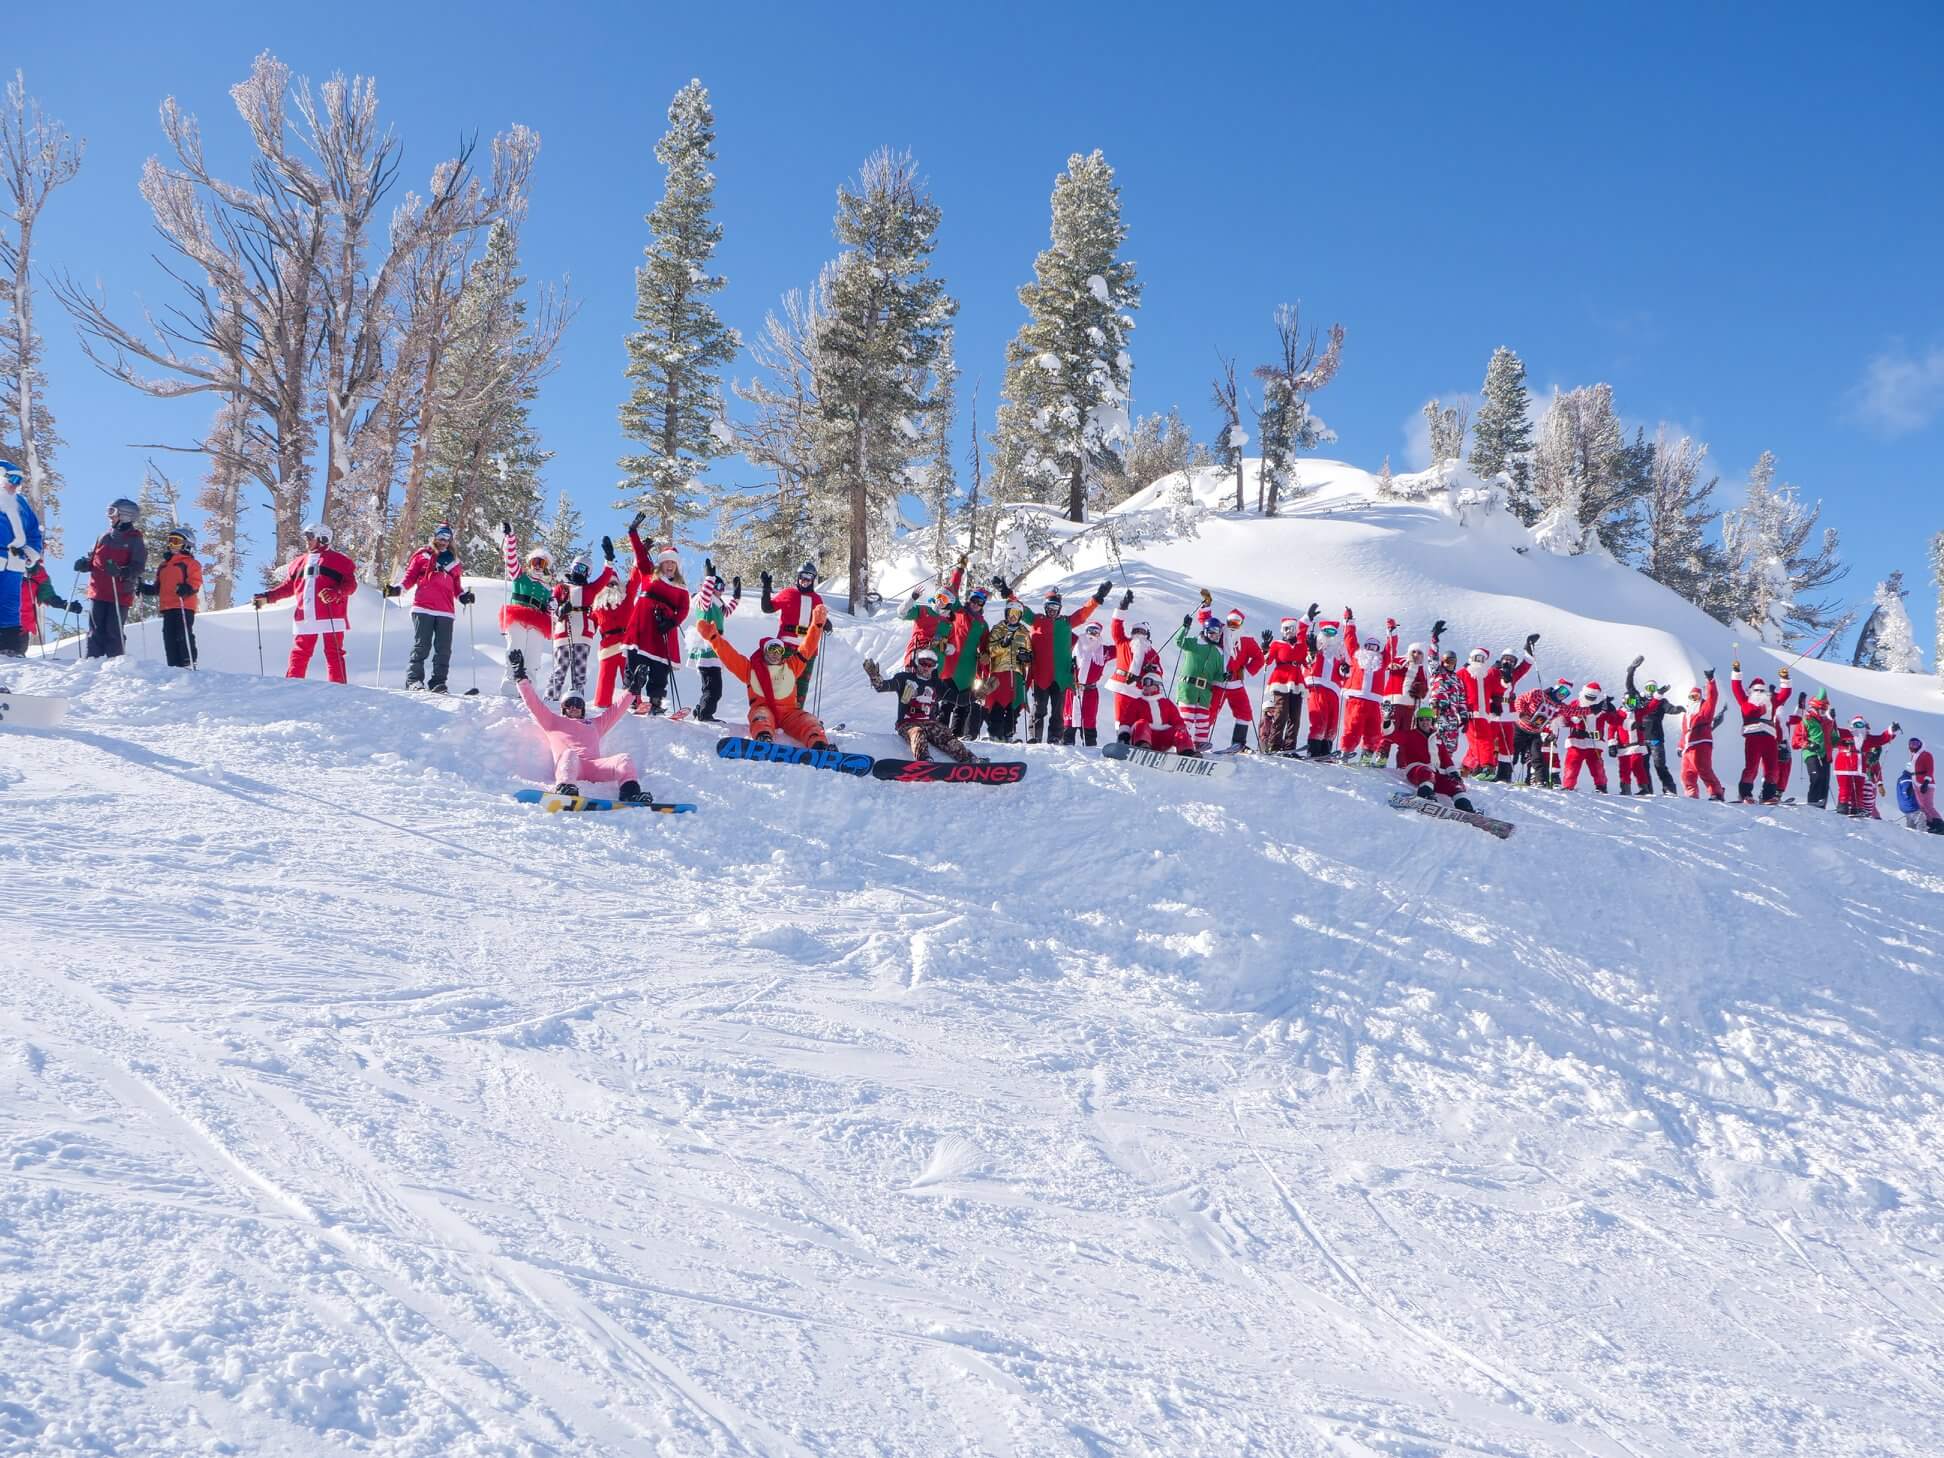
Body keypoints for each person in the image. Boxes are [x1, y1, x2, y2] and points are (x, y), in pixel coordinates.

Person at [507, 647, 647, 803]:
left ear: (583, 707)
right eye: (569, 703)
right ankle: (566, 788)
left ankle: (630, 793)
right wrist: (520, 676)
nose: (574, 707)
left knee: (624, 759)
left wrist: (633, 689)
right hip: (570, 766)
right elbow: (532, 702)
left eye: (578, 703)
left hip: (595, 767)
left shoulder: (595, 724)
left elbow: (616, 710)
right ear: (563, 708)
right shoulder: (552, 721)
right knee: (569, 754)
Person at [694, 603, 831, 747]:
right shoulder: (751, 669)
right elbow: (730, 656)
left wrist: (817, 625)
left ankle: (819, 744)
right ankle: (763, 738)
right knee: (760, 716)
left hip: (790, 713)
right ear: (765, 651)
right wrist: (714, 638)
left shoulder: (791, 666)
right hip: (764, 709)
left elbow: (807, 648)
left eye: (779, 650)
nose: (775, 654)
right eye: (772, 649)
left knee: (809, 721)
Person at [255, 522, 358, 682]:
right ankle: (292, 686)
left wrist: (336, 593)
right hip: (305, 614)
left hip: (331, 615)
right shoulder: (299, 563)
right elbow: (288, 587)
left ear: (323, 539)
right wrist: (267, 597)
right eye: (307, 537)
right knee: (300, 652)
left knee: (334, 653)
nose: (307, 541)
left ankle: (339, 689)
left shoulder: (340, 561)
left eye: (310, 537)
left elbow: (351, 585)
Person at [1018, 581, 1108, 743]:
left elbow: (1083, 613)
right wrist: (1008, 593)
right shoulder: (1036, 620)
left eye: (1055, 608)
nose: (1052, 611)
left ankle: (1054, 737)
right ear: (1045, 608)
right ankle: (1034, 737)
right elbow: (1022, 610)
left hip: (1061, 675)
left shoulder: (1066, 622)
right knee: (1039, 708)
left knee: (1058, 710)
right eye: (1050, 608)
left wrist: (1097, 597)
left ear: (1059, 609)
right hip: (1041, 675)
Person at [385, 522, 471, 692]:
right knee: (422, 645)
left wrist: (463, 597)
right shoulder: (423, 556)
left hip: (445, 611)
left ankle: (438, 682)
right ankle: (414, 680)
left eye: (447, 538)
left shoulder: (454, 562)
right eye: (441, 537)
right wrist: (397, 589)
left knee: (444, 649)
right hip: (423, 608)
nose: (444, 541)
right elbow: (409, 578)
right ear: (435, 537)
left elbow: (456, 587)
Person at [863, 646, 979, 763]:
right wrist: (875, 677)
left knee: (946, 736)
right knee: (917, 733)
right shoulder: (904, 678)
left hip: (930, 723)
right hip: (908, 723)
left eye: (930, 665)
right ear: (917, 663)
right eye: (923, 663)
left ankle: (969, 759)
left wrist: (979, 694)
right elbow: (884, 686)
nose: (926, 667)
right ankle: (924, 760)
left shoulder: (937, 684)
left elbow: (959, 700)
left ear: (934, 667)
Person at [624, 519, 691, 714]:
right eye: (666, 562)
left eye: (673, 563)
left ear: (676, 566)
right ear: (661, 564)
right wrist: (632, 531)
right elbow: (640, 553)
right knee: (635, 662)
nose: (669, 566)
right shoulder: (649, 573)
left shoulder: (681, 588)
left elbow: (684, 610)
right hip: (643, 624)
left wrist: (672, 622)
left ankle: (655, 702)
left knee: (659, 667)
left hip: (663, 630)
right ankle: (632, 699)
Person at [77, 497, 147, 659]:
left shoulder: (134, 539)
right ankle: (93, 660)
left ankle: (115, 661)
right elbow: (93, 559)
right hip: (98, 590)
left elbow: (138, 566)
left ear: (126, 515)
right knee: (95, 629)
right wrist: (85, 564)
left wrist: (121, 571)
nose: (109, 517)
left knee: (113, 629)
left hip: (119, 592)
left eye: (112, 512)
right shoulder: (104, 536)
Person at [547, 553, 616, 702]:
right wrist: (560, 609)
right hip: (564, 631)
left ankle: (577, 700)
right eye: (577, 567)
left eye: (583, 569)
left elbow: (604, 578)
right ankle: (551, 698)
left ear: (588, 573)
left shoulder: (591, 589)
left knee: (579, 670)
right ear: (572, 568)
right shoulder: (562, 588)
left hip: (583, 633)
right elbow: (551, 605)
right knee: (560, 667)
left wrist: (608, 561)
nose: (579, 571)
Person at [499, 523, 556, 697]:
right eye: (535, 561)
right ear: (530, 563)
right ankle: (509, 687)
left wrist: (552, 607)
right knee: (515, 650)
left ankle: (528, 690)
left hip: (537, 622)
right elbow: (511, 559)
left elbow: (550, 609)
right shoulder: (520, 576)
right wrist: (510, 537)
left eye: (541, 562)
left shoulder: (547, 588)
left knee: (533, 656)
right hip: (518, 615)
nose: (538, 565)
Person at [1390, 699, 1476, 812]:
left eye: (1427, 719)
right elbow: (1390, 735)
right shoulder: (1409, 735)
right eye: (1421, 720)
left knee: (1455, 784)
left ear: (1432, 721)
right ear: (1417, 721)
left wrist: (1453, 772)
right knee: (1427, 773)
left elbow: (1445, 758)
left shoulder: (1437, 738)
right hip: (1417, 770)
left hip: (1437, 773)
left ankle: (1465, 807)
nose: (1425, 722)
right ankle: (1425, 797)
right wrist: (1387, 720)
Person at [138, 524, 203, 669]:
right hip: (167, 606)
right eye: (170, 541)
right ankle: (173, 664)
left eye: (176, 541)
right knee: (169, 635)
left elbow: (196, 582)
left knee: (182, 632)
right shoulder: (163, 566)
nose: (171, 545)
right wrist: (144, 589)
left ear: (187, 545)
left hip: (183, 604)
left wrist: (187, 588)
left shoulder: (191, 563)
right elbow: (158, 588)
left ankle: (188, 661)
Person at [760, 558, 824, 706]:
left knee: (801, 688)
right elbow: (767, 608)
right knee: (782, 683)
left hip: (807, 649)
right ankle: (775, 712)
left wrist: (826, 624)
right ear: (798, 578)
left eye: (809, 578)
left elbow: (820, 618)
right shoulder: (788, 593)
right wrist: (766, 589)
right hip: (786, 645)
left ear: (813, 580)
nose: (805, 581)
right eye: (802, 577)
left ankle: (796, 716)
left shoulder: (817, 599)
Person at [1105, 590, 1164, 745]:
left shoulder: (1151, 652)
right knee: (1121, 718)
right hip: (1123, 685)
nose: (1138, 634)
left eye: (1141, 631)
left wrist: (1152, 671)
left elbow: (1159, 672)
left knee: (1139, 719)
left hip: (1140, 690)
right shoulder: (1123, 643)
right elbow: (1116, 625)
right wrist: (1122, 606)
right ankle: (1121, 741)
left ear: (1147, 635)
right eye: (1135, 631)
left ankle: (1139, 742)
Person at [1727, 661, 1791, 804]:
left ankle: (1768, 795)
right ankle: (1745, 794)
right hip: (1753, 735)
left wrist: (1785, 678)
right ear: (1750, 691)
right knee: (1752, 766)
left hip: (1769, 736)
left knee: (1772, 767)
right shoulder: (1745, 700)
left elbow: (1785, 694)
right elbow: (1736, 688)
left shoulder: (1771, 701)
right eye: (1756, 690)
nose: (1759, 693)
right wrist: (1736, 671)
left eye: (1762, 690)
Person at [943, 568, 994, 738]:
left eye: (979, 603)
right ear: (969, 600)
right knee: (946, 704)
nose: (975, 604)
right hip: (950, 667)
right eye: (973, 600)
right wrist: (958, 572)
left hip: (968, 670)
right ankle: (939, 735)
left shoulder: (983, 625)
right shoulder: (959, 612)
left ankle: (955, 739)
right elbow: (952, 591)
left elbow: (986, 646)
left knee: (962, 707)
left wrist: (986, 654)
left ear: (982, 605)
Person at [0, 459, 44, 657]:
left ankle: (9, 647)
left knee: (10, 604)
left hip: (15, 561)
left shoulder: (21, 504)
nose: (16, 485)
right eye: (13, 479)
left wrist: (31, 552)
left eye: (20, 481)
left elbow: (34, 531)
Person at [1209, 605, 1265, 751]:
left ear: (1241, 624)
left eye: (1236, 623)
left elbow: (1259, 658)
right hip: (1218, 682)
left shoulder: (1246, 639)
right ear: (1225, 622)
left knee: (1245, 712)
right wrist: (1205, 606)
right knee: (1210, 711)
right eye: (1230, 623)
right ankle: (1199, 739)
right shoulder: (1220, 633)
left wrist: (1244, 672)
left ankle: (1238, 743)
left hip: (1235, 683)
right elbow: (1207, 621)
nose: (1232, 626)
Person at [688, 566, 740, 722]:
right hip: (707, 647)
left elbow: (729, 611)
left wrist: (736, 595)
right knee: (714, 688)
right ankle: (705, 714)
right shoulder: (705, 602)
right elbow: (705, 593)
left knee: (712, 686)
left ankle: (701, 710)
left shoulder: (717, 605)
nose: (721, 590)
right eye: (718, 587)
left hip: (715, 647)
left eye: (723, 587)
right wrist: (709, 578)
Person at [1624, 658, 1682, 795]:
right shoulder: (1640, 699)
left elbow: (1669, 708)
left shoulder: (1661, 701)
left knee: (1660, 765)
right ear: (1645, 689)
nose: (1650, 691)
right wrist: (1632, 669)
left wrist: (1677, 709)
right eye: (1648, 688)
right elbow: (1629, 686)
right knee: (1643, 766)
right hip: (1641, 738)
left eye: (1653, 688)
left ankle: (1669, 789)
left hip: (1656, 738)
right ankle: (1646, 789)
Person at [1339, 618, 1392, 765]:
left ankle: (1366, 758)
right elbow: (1350, 640)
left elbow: (1391, 648)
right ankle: (1345, 754)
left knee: (1374, 730)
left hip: (1374, 701)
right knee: (1353, 727)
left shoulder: (1382, 660)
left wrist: (1391, 632)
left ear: (1378, 649)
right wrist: (1349, 622)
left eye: (1375, 647)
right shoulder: (1357, 656)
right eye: (1369, 646)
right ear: (1364, 647)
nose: (1371, 650)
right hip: (1357, 699)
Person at [1171, 611, 1227, 751]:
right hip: (1189, 687)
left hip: (1204, 692)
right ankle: (1180, 742)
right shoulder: (1195, 642)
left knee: (1203, 720)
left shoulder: (1218, 653)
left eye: (1218, 633)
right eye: (1213, 632)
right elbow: (1179, 641)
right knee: (1187, 718)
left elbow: (1217, 675)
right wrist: (1184, 627)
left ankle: (1200, 743)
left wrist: (1225, 676)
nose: (1216, 635)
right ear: (1206, 631)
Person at [982, 595, 1034, 742]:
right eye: (1010, 613)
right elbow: (990, 650)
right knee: (997, 704)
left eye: (1016, 614)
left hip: (1016, 674)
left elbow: (1029, 655)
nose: (1013, 617)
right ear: (1006, 614)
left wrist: (1026, 658)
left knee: (1014, 705)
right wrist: (1002, 645)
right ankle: (994, 733)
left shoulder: (1024, 632)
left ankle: (1008, 733)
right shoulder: (998, 629)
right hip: (999, 672)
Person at [1303, 608, 1351, 758]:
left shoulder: (1339, 653)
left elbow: (1346, 673)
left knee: (1332, 722)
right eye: (1326, 632)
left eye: (1332, 632)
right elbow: (1306, 660)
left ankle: (1325, 750)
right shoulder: (1314, 646)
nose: (1329, 635)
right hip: (1316, 685)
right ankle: (1314, 749)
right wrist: (1307, 620)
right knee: (1319, 718)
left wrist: (1345, 669)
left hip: (1334, 690)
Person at [1259, 617, 1309, 753]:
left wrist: (1312, 652)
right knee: (1281, 714)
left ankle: (1289, 747)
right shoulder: (1277, 644)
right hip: (1281, 680)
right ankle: (1274, 746)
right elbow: (1267, 661)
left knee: (1295, 717)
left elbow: (1307, 662)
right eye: (1286, 629)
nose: (1289, 632)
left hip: (1297, 681)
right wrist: (1265, 648)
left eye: (1292, 629)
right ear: (1282, 630)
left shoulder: (1300, 645)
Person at [1556, 682, 1612, 793]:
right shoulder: (1575, 704)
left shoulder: (1602, 707)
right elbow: (1564, 720)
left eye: (1593, 697)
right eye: (1588, 696)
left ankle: (1601, 786)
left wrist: (1611, 709)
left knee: (1597, 766)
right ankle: (1568, 786)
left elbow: (1613, 720)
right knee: (1572, 764)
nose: (1590, 699)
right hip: (1576, 741)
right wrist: (1572, 719)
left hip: (1595, 742)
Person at [1127, 668, 1195, 755]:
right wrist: (1124, 734)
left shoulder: (1167, 703)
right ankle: (1142, 746)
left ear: (1156, 685)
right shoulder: (1137, 703)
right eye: (1143, 683)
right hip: (1144, 737)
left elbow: (1178, 721)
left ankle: (1187, 752)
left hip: (1163, 740)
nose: (1144, 686)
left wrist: (1183, 733)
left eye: (1147, 683)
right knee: (1141, 723)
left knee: (1180, 729)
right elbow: (1127, 721)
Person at [1065, 619, 1111, 746]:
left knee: (1089, 720)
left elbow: (1121, 648)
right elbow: (1063, 632)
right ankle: (1067, 744)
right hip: (1073, 689)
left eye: (1095, 632)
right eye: (1089, 630)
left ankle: (1090, 746)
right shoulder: (1075, 643)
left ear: (1099, 634)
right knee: (1070, 717)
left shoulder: (1104, 651)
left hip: (1090, 690)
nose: (1092, 634)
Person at [1680, 671, 1725, 800]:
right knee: (1686, 773)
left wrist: (1710, 682)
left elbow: (1713, 697)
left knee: (1703, 768)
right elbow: (1684, 732)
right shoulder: (1687, 714)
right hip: (1688, 746)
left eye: (1696, 696)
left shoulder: (1705, 709)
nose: (1694, 699)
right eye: (1691, 697)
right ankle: (1691, 793)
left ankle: (1716, 792)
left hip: (1701, 742)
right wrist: (1680, 746)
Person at [18, 560, 79, 650]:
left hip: (22, 626)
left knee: (16, 660)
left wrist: (64, 605)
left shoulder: (37, 571)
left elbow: (48, 595)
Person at [1610, 693, 1653, 796]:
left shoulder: (1638, 712)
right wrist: (1611, 744)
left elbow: (1650, 707)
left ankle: (1644, 788)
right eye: (1630, 702)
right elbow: (1611, 729)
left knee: (1637, 765)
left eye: (1634, 702)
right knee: (1624, 768)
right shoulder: (1618, 714)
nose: (1632, 704)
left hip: (1636, 745)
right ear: (1624, 701)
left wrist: (1657, 696)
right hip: (1623, 746)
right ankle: (1625, 788)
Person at [1897, 737, 1941, 833]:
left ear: (1921, 744)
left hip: (1926, 784)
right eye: (1911, 744)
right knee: (1921, 806)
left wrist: (1926, 782)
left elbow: (1930, 770)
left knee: (1928, 805)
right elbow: (1912, 773)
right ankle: (1930, 824)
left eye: (1916, 744)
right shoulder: (1913, 757)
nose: (1914, 746)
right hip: (1916, 784)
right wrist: (1910, 786)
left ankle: (1940, 824)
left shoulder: (1926, 754)